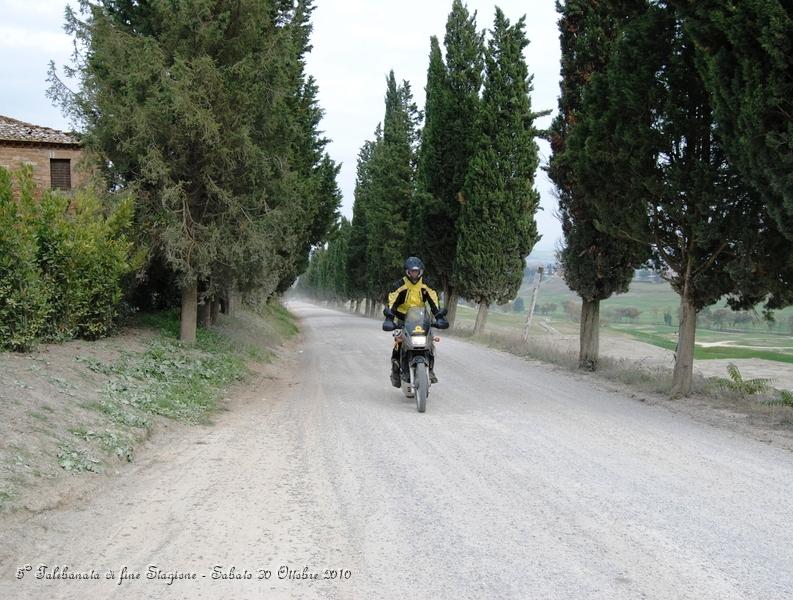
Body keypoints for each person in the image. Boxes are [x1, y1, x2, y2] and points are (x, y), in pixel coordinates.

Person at [382, 257, 446, 387]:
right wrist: (389, 318)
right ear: (407, 272)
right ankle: (395, 370)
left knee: (430, 342)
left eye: (417, 272)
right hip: (402, 320)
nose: (414, 274)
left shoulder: (426, 285)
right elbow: (392, 302)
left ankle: (431, 370)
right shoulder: (399, 286)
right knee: (399, 343)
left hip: (421, 320)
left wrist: (439, 316)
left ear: (421, 271)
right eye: (412, 272)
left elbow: (434, 301)